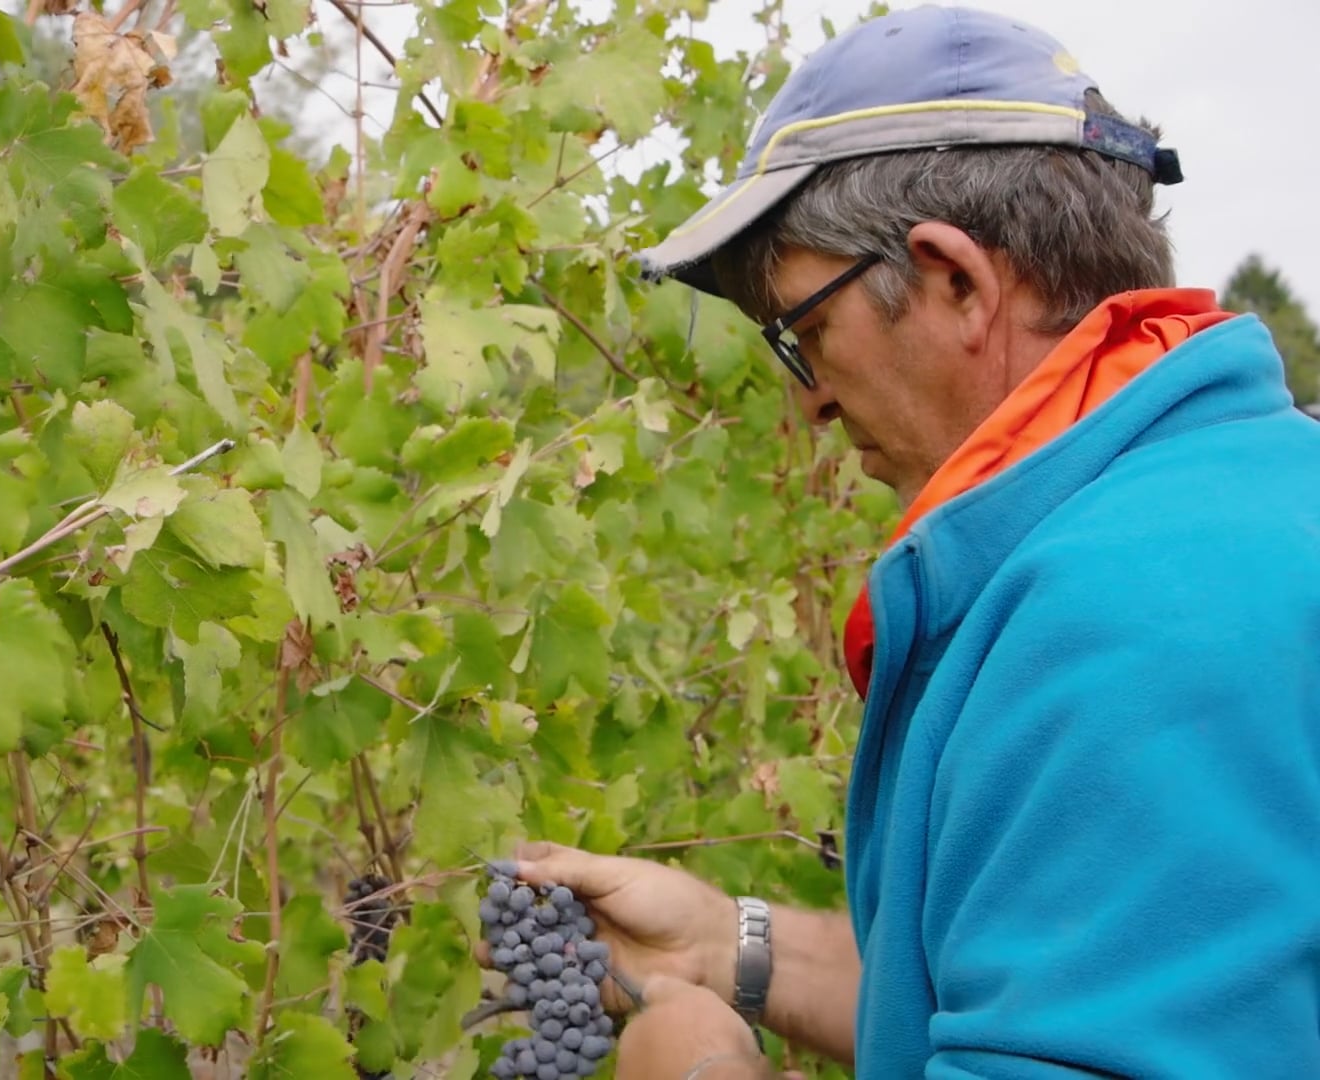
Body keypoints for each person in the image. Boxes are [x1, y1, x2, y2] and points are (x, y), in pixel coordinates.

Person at [496, 5, 1320, 1077]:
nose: (808, 407)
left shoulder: (1128, 624)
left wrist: (694, 1058)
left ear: (955, 282)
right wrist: (718, 944)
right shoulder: (1234, 500)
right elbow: (1020, 982)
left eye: (803, 331)